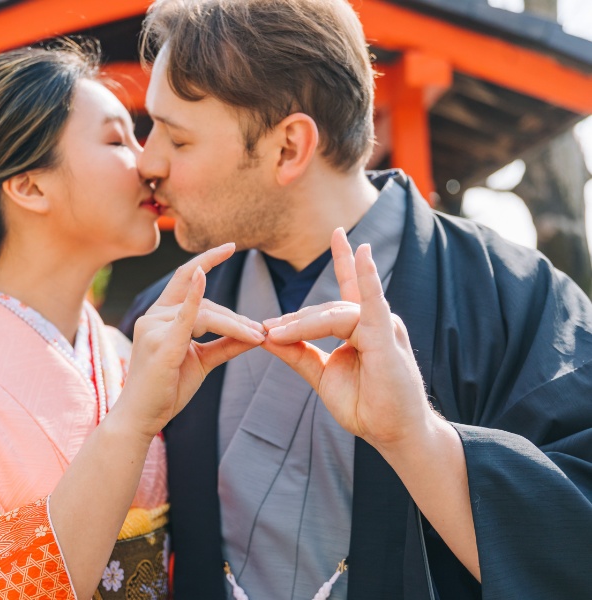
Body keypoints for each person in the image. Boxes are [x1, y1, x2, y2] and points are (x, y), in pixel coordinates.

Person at [121, 0, 592, 598]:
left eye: (177, 139)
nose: (147, 160)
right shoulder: (163, 317)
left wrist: (420, 440)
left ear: (289, 147)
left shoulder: (512, 299)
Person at [0, 43, 265, 600]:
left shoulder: (123, 355)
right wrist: (130, 424)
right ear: (30, 185)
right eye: (116, 139)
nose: (152, 163)